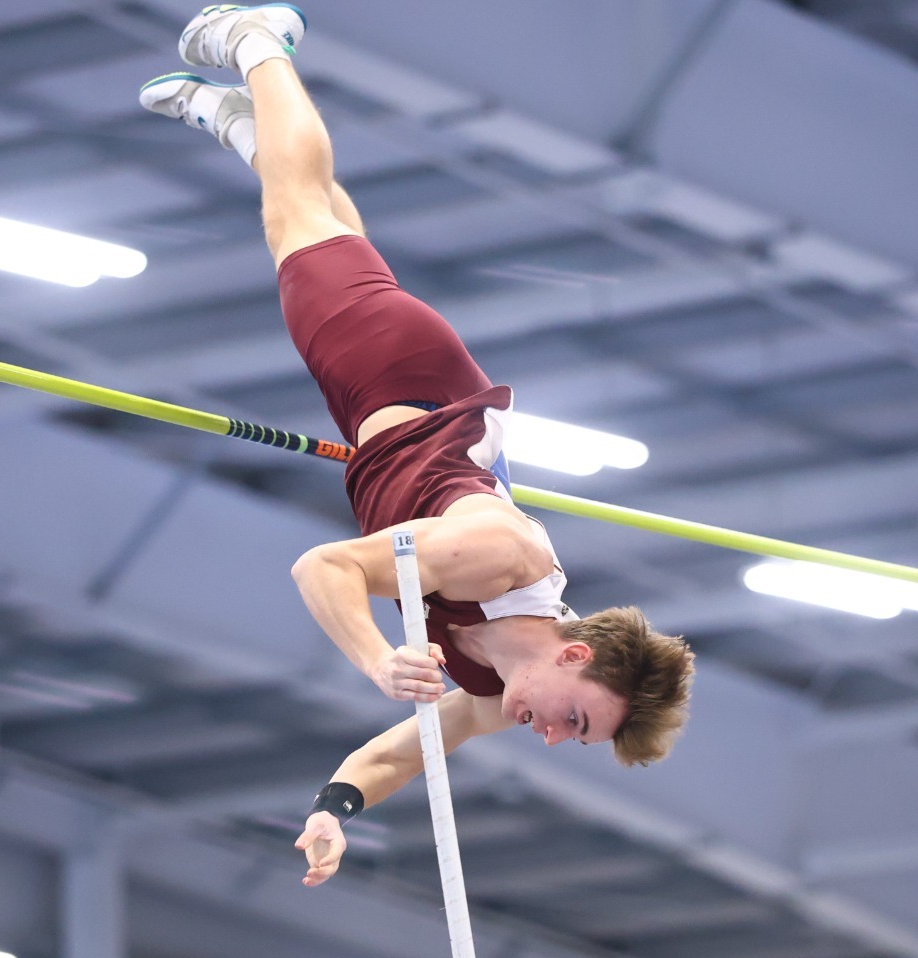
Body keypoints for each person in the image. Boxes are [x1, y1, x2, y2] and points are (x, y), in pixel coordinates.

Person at [141, 5, 694, 886]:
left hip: (386, 399)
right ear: (575, 654)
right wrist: (378, 659)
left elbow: (397, 758)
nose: (550, 735)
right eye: (576, 720)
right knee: (295, 220)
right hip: (390, 372)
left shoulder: (491, 694)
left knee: (327, 226)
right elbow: (323, 568)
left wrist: (331, 810)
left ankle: (249, 129)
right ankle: (258, 46)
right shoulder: (493, 559)